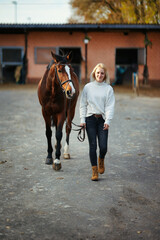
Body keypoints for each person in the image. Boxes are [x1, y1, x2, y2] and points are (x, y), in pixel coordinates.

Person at [80, 63, 115, 181]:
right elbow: (82, 105)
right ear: (94, 73)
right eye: (98, 72)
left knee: (103, 147)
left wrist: (108, 120)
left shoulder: (108, 89)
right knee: (92, 146)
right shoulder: (87, 87)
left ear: (105, 75)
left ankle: (101, 159)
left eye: (102, 73)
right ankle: (94, 171)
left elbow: (110, 106)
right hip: (90, 119)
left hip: (102, 120)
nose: (100, 75)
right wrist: (82, 120)